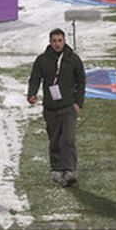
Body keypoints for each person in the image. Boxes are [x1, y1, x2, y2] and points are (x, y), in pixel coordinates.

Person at [27, 28, 85, 186]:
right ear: (50, 42)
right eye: (54, 41)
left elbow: (81, 81)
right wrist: (31, 94)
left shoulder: (73, 59)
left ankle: (70, 170)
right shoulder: (42, 60)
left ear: (65, 41)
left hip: (68, 108)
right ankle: (57, 169)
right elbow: (35, 78)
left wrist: (78, 103)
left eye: (60, 40)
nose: (57, 44)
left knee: (68, 139)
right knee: (54, 140)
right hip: (51, 108)